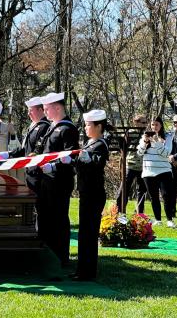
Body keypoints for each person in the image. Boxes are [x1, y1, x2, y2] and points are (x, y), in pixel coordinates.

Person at [38, 92, 79, 266]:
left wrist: (53, 167)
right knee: (48, 218)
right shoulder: (52, 127)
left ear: (57, 107)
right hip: (47, 180)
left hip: (60, 181)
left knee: (59, 219)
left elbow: (71, 158)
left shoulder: (68, 129)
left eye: (47, 109)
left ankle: (61, 256)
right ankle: (49, 254)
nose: (45, 112)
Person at [72, 109, 110, 281]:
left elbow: (97, 163)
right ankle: (81, 269)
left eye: (88, 125)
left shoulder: (101, 144)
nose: (85, 128)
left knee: (89, 233)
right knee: (84, 233)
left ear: (99, 126)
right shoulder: (89, 144)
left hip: (94, 194)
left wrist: (88, 159)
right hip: (86, 192)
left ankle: (88, 272)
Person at [137, 117, 176, 228]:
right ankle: (158, 220)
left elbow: (166, 153)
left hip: (164, 170)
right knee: (154, 197)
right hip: (149, 172)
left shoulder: (167, 137)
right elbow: (139, 153)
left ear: (161, 125)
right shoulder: (144, 136)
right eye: (152, 125)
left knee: (166, 196)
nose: (154, 127)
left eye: (157, 125)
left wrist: (156, 142)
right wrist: (145, 142)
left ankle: (169, 220)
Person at [8, 96, 50, 195]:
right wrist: (9, 154)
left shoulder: (44, 126)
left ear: (40, 110)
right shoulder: (34, 125)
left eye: (31, 110)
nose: (28, 113)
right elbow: (25, 148)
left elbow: (37, 150)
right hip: (30, 171)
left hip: (38, 173)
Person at [116, 114, 148, 214]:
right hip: (130, 164)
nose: (145, 125)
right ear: (136, 122)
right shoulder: (129, 132)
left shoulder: (147, 134)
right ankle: (119, 210)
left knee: (141, 190)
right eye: (143, 122)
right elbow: (122, 148)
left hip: (143, 166)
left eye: (146, 122)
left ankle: (139, 212)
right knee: (124, 188)